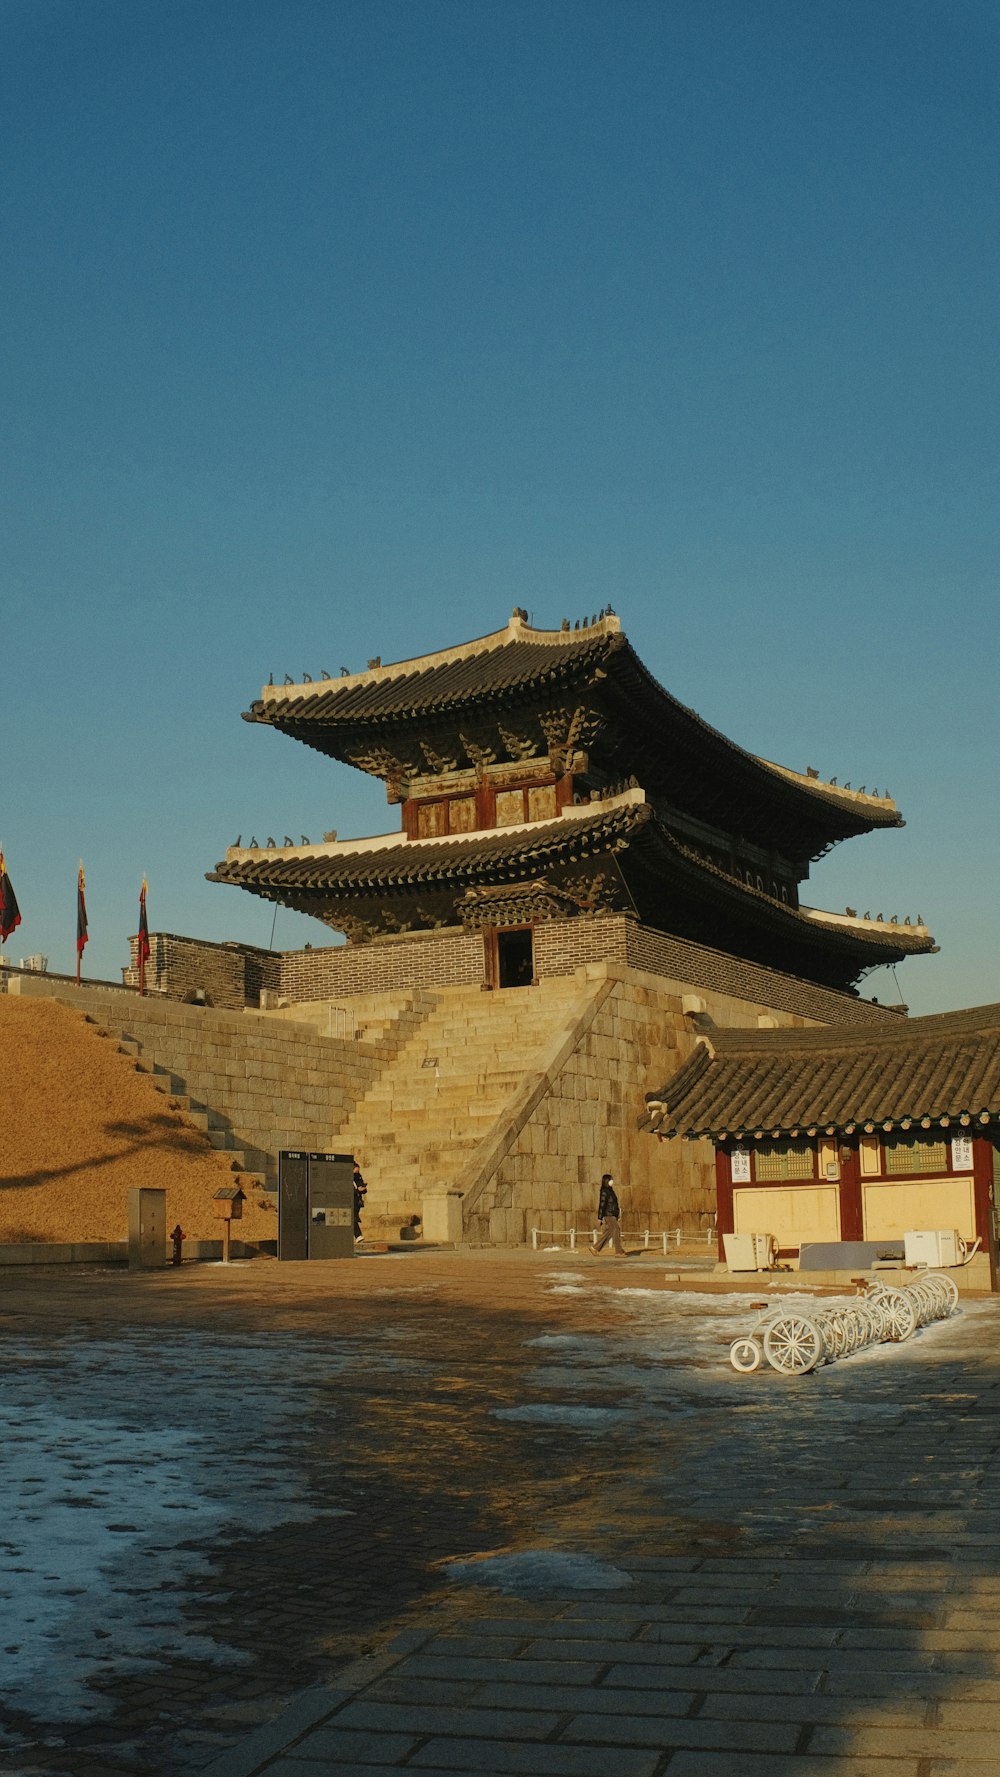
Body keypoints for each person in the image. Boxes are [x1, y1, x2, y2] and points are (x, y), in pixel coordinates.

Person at [590, 1172, 625, 1256]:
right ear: (606, 1181)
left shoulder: (610, 1191)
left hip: (612, 1214)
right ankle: (618, 1251)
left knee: (610, 1232)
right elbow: (602, 1205)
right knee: (616, 1229)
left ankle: (595, 1248)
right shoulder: (604, 1191)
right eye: (610, 1179)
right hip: (608, 1215)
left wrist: (617, 1214)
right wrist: (600, 1217)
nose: (612, 1181)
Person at [352, 1163, 368, 1241]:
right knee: (353, 1217)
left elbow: (363, 1188)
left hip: (357, 1200)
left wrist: (363, 1189)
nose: (358, 1171)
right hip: (350, 1200)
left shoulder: (358, 1177)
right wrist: (357, 1190)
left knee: (353, 1217)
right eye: (356, 1169)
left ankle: (357, 1235)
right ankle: (358, 1235)